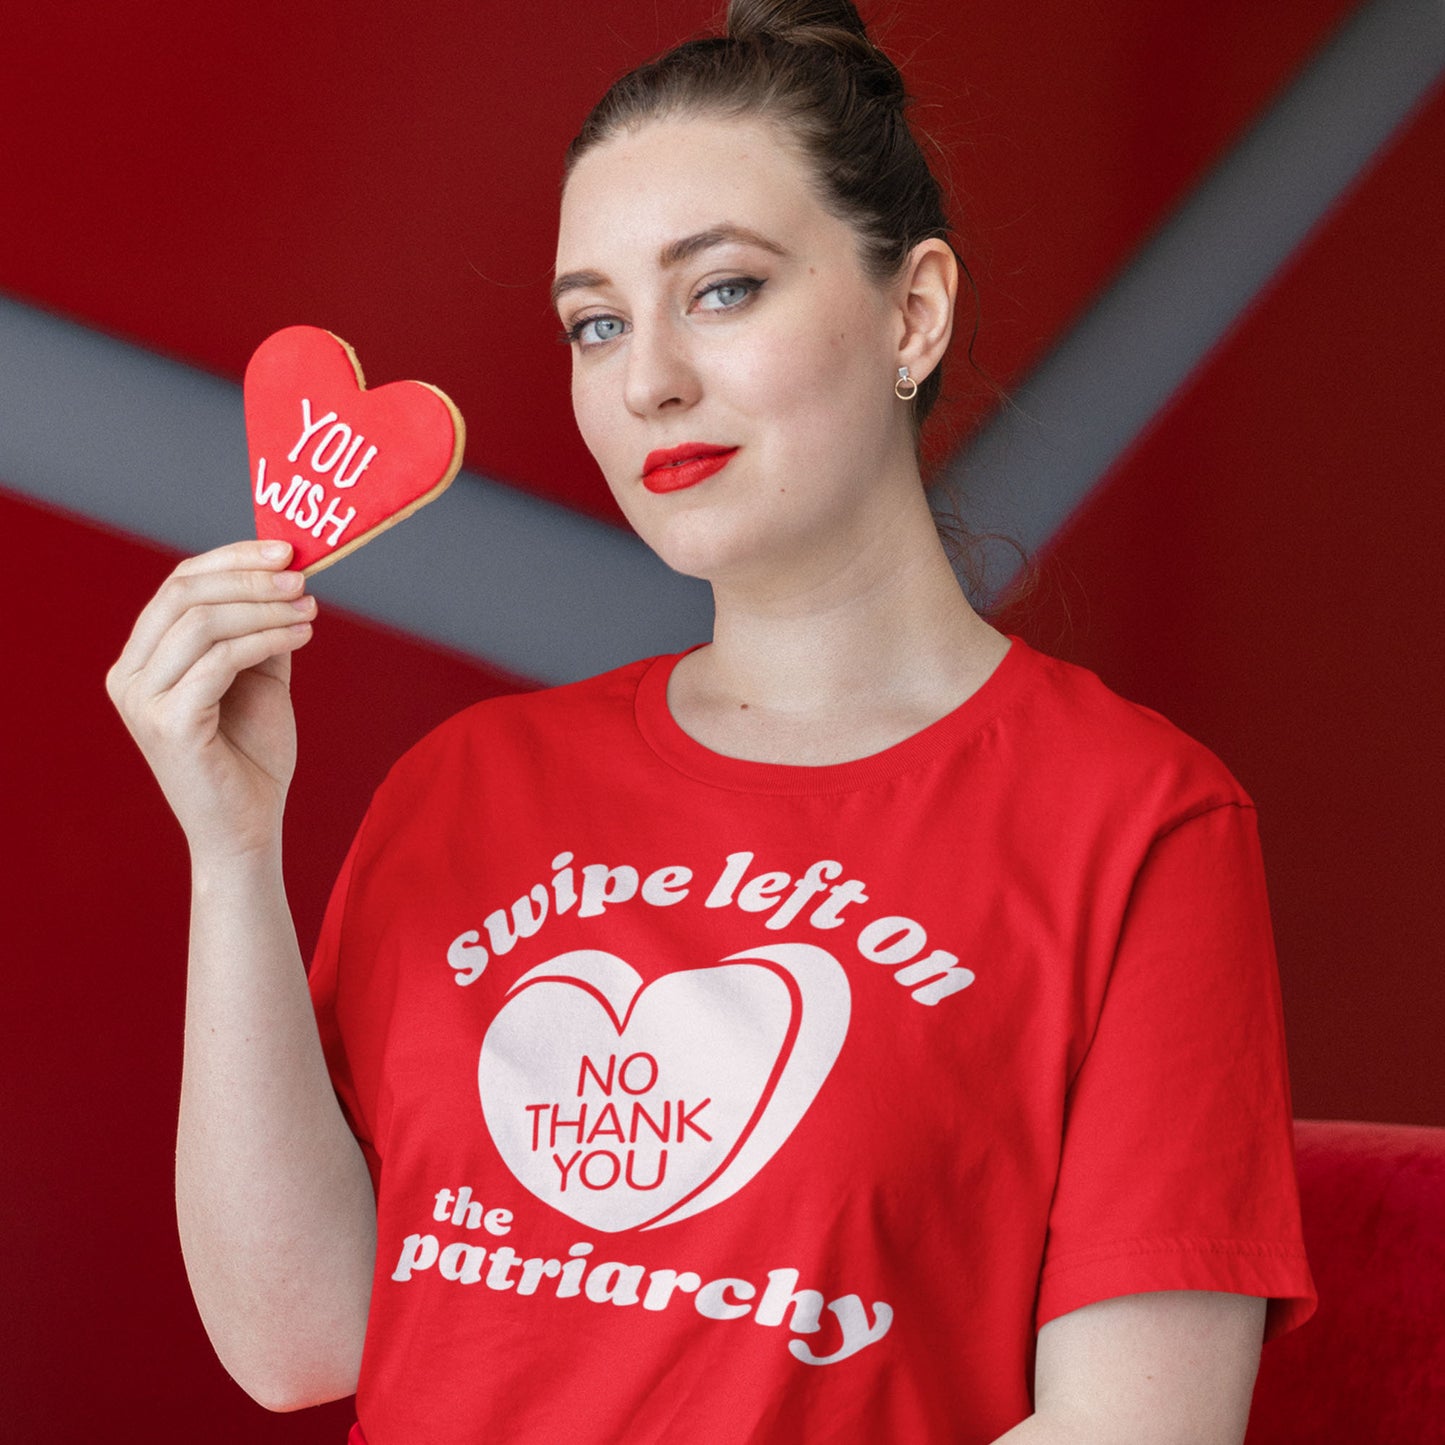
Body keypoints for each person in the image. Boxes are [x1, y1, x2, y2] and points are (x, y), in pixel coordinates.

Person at [105, 1, 1317, 1440]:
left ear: (909, 312)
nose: (646, 378)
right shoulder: (467, 784)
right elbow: (298, 1338)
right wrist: (230, 855)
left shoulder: (1137, 820)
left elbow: (1138, 1430)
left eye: (723, 289)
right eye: (596, 321)